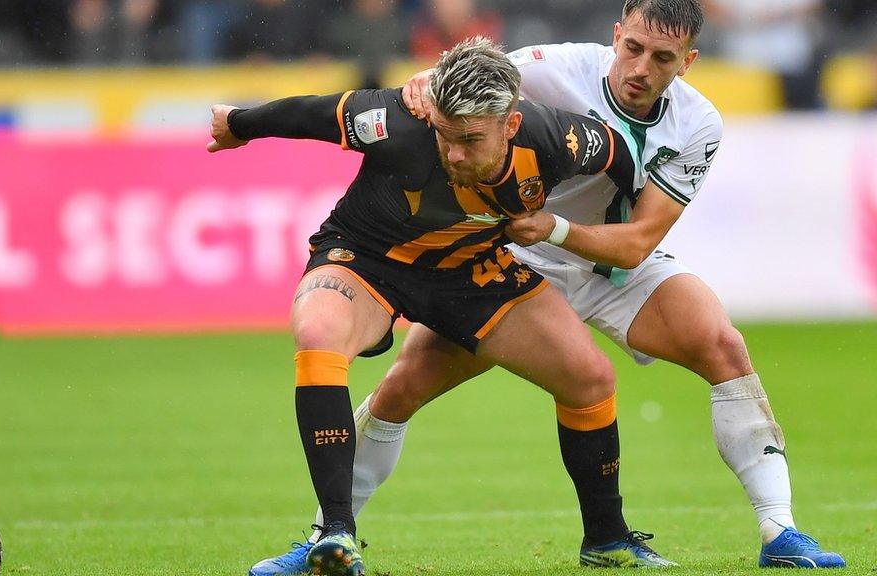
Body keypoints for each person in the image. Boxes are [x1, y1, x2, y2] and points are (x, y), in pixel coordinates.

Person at [256, 0, 847, 571]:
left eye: (663, 59)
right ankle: (325, 537)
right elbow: (462, 85)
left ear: (688, 61)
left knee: (724, 347)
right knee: (402, 390)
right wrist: (421, 84)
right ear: (616, 34)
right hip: (511, 260)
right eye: (634, 48)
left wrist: (557, 228)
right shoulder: (547, 67)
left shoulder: (699, 124)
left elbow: (639, 240)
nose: (642, 68)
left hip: (609, 257)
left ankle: (780, 529)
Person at [209, 37, 656, 576]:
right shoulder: (397, 119)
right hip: (366, 259)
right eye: (446, 136)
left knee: (589, 378)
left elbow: (625, 162)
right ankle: (333, 537)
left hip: (472, 272)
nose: (455, 153)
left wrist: (621, 242)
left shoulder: (558, 138)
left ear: (511, 126)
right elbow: (311, 113)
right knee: (320, 332)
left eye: (470, 139)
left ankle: (606, 541)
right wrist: (238, 123)